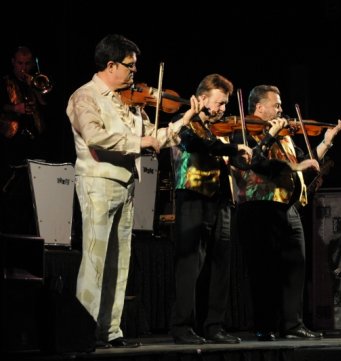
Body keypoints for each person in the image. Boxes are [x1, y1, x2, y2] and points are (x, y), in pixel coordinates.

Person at [66, 34, 197, 348]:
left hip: (126, 185)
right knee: (95, 261)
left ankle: (110, 331)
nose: (134, 73)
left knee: (119, 263)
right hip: (98, 183)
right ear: (111, 65)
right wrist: (138, 142)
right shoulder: (84, 97)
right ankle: (82, 331)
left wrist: (186, 119)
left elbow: (155, 138)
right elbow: (96, 137)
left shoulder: (130, 103)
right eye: (129, 66)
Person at [233, 84, 341, 341]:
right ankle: (265, 325)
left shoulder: (285, 136)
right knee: (264, 271)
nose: (281, 109)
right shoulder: (244, 131)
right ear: (259, 107)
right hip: (259, 207)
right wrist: (272, 137)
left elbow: (307, 161)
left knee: (296, 265)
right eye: (277, 104)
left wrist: (326, 142)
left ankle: (293, 325)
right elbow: (258, 163)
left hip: (287, 207)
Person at [169, 74, 252, 345]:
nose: (222, 110)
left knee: (220, 266)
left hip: (220, 200)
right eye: (219, 103)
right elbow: (195, 145)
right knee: (190, 265)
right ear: (202, 99)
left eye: (225, 104)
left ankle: (214, 325)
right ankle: (182, 326)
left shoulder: (217, 130)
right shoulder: (184, 123)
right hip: (193, 197)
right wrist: (231, 147)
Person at [0, 46, 50, 234]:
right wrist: (16, 109)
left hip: (33, 142)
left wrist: (34, 87)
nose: (23, 67)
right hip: (11, 142)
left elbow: (45, 104)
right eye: (20, 63)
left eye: (27, 63)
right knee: (12, 192)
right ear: (13, 62)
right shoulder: (5, 82)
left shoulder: (32, 82)